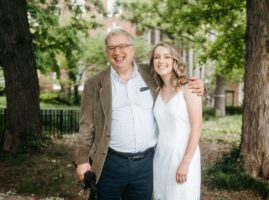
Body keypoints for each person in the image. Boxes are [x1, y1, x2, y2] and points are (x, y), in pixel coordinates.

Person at [76, 28, 204, 200]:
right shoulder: (95, 83)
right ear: (107, 51)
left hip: (146, 165)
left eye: (123, 46)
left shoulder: (150, 74)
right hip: (111, 162)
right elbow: (86, 125)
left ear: (132, 48)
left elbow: (176, 82)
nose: (118, 52)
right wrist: (82, 159)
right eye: (112, 48)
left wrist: (200, 85)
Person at [151, 42, 202, 200]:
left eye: (167, 57)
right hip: (161, 157)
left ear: (175, 61)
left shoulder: (189, 88)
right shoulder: (157, 90)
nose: (161, 61)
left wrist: (186, 162)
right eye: (157, 57)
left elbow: (197, 127)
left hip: (183, 156)